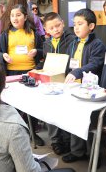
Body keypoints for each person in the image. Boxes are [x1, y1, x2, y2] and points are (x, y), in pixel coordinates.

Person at [0, 3, 44, 146]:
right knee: (13, 106)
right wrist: (3, 55)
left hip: (31, 72)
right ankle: (15, 134)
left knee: (32, 105)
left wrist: (37, 52)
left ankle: (33, 133)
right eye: (12, 15)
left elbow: (43, 50)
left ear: (25, 17)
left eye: (18, 15)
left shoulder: (34, 33)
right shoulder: (6, 34)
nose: (15, 18)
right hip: (12, 74)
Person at [63, 8, 106, 163]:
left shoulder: (97, 44)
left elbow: (95, 63)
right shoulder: (73, 43)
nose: (76, 27)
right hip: (74, 89)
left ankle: (94, 155)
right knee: (74, 121)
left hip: (89, 91)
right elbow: (69, 64)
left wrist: (78, 72)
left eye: (80, 24)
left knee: (89, 124)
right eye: (74, 24)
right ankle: (77, 151)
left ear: (91, 26)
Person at [41, 12, 75, 155]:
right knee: (50, 111)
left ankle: (67, 140)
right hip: (51, 84)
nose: (56, 29)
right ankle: (56, 141)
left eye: (58, 25)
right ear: (46, 29)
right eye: (52, 27)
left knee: (66, 112)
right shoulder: (46, 44)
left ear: (63, 23)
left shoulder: (72, 40)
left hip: (67, 83)